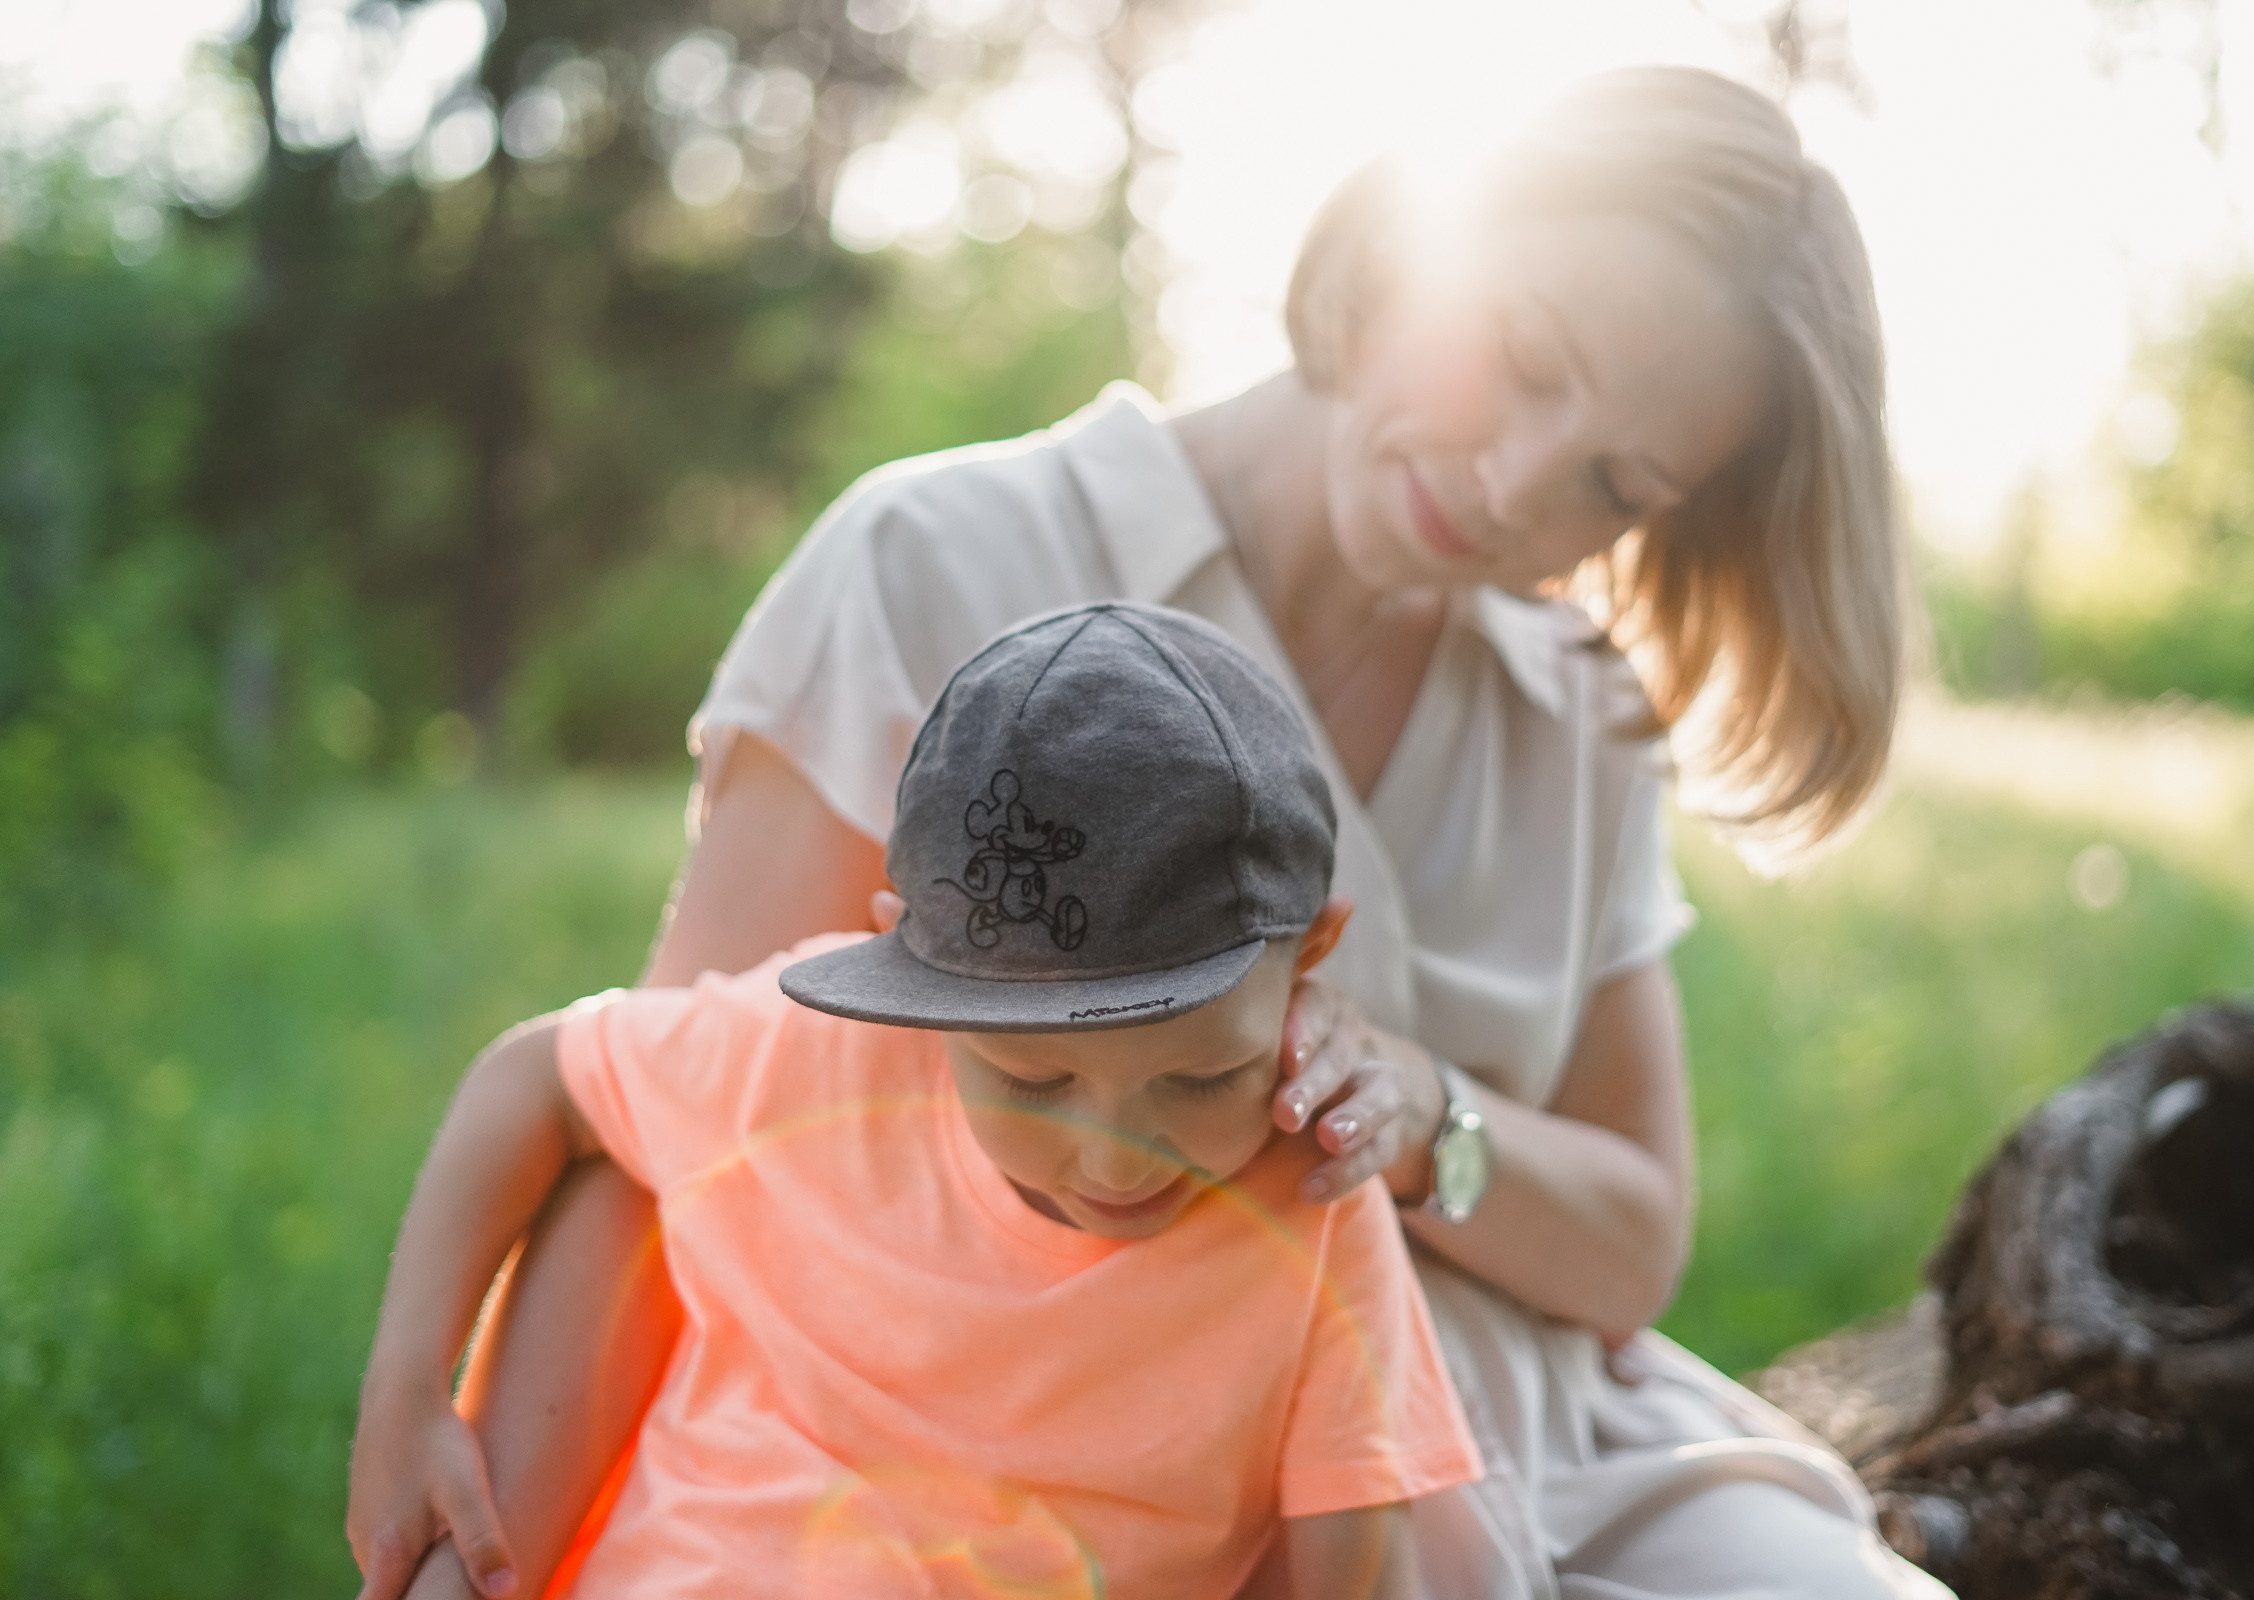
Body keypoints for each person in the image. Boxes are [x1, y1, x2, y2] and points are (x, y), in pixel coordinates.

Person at [350, 64, 1951, 1600]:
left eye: (1613, 476)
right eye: (1526, 357)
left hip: (1545, 1439)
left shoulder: (1578, 716)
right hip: (1079, 1474)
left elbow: (1628, 1247)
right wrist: (483, 1566)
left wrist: (1418, 1111)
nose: (1517, 477)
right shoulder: (942, 559)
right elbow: (661, 1145)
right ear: (1413, 237)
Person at [351, 603, 1485, 1600]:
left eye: (1201, 1078)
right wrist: (406, 1397)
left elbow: (1360, 1567)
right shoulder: (805, 1059)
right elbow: (534, 1076)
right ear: (914, 970)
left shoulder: (1314, 1207)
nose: (1116, 1157)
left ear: (1315, 952)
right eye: (1034, 1081)